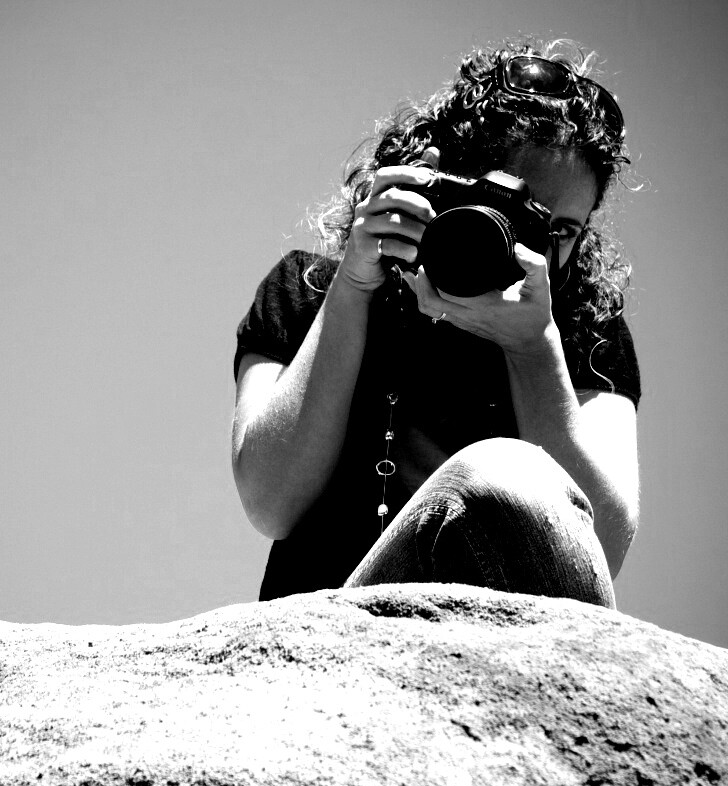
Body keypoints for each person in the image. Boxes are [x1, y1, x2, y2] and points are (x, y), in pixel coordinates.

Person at [232, 40, 640, 606]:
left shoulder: (587, 331)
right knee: (497, 473)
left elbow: (598, 554)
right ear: (435, 179)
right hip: (337, 626)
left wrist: (533, 349)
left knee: (506, 475)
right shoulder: (311, 289)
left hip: (504, 639)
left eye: (561, 230)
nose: (528, 246)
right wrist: (353, 287)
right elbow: (270, 502)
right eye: (510, 210)